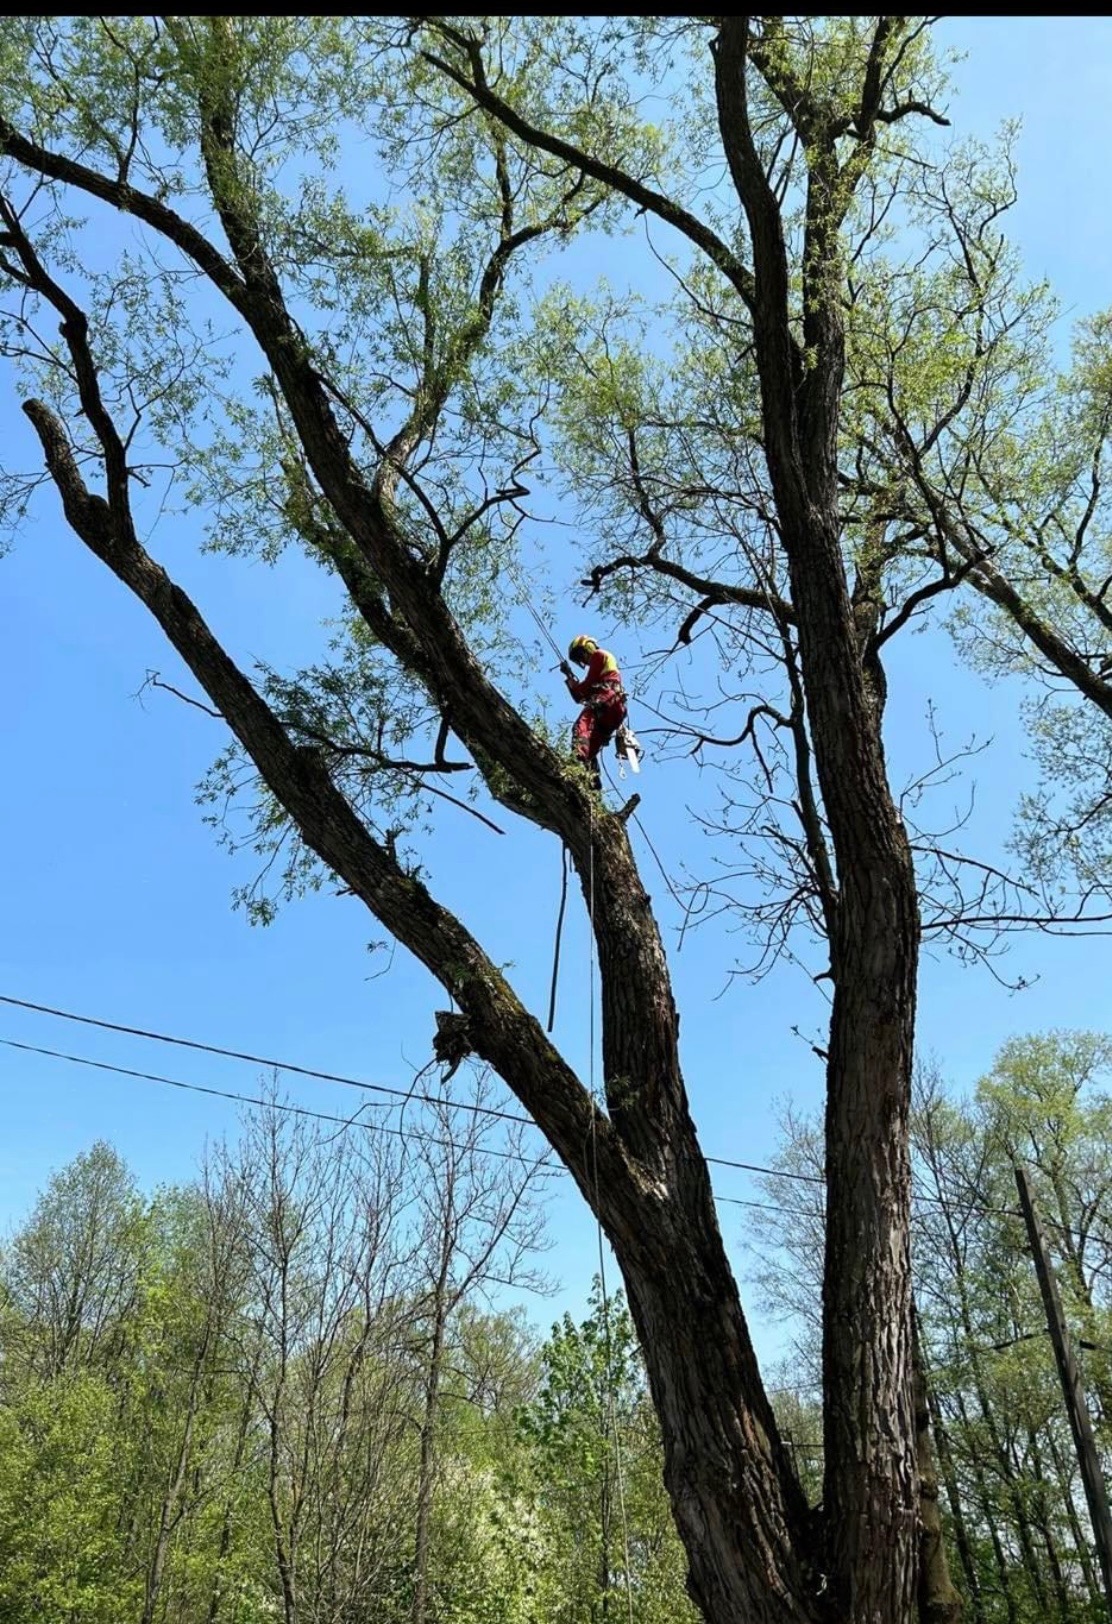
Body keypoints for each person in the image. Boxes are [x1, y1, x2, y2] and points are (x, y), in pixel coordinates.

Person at [560, 635, 627, 783]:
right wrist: (569, 677)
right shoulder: (605, 663)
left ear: (588, 647)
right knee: (592, 743)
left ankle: (577, 761)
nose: (583, 660)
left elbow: (586, 687)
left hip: (606, 699)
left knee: (581, 727)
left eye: (581, 654)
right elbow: (580, 696)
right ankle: (591, 782)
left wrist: (571, 680)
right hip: (614, 709)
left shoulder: (599, 655)